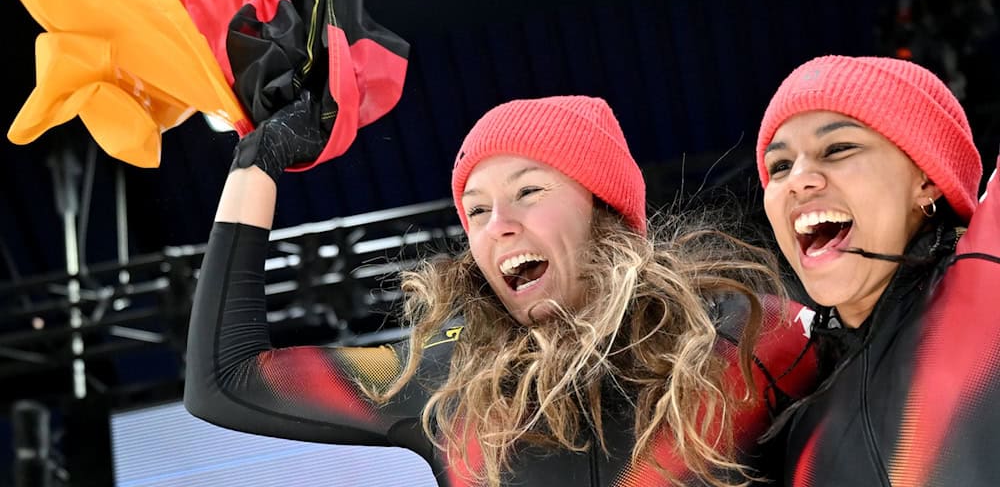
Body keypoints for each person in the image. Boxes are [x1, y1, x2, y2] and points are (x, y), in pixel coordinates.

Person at [185, 93, 818, 487]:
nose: (499, 226)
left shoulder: (747, 332)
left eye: (528, 191)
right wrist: (258, 159)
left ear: (604, 209)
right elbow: (224, 379)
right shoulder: (448, 380)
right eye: (477, 211)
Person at [755, 54, 1000, 486]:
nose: (798, 179)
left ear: (926, 178)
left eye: (837, 149)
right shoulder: (795, 421)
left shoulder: (988, 276)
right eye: (779, 166)